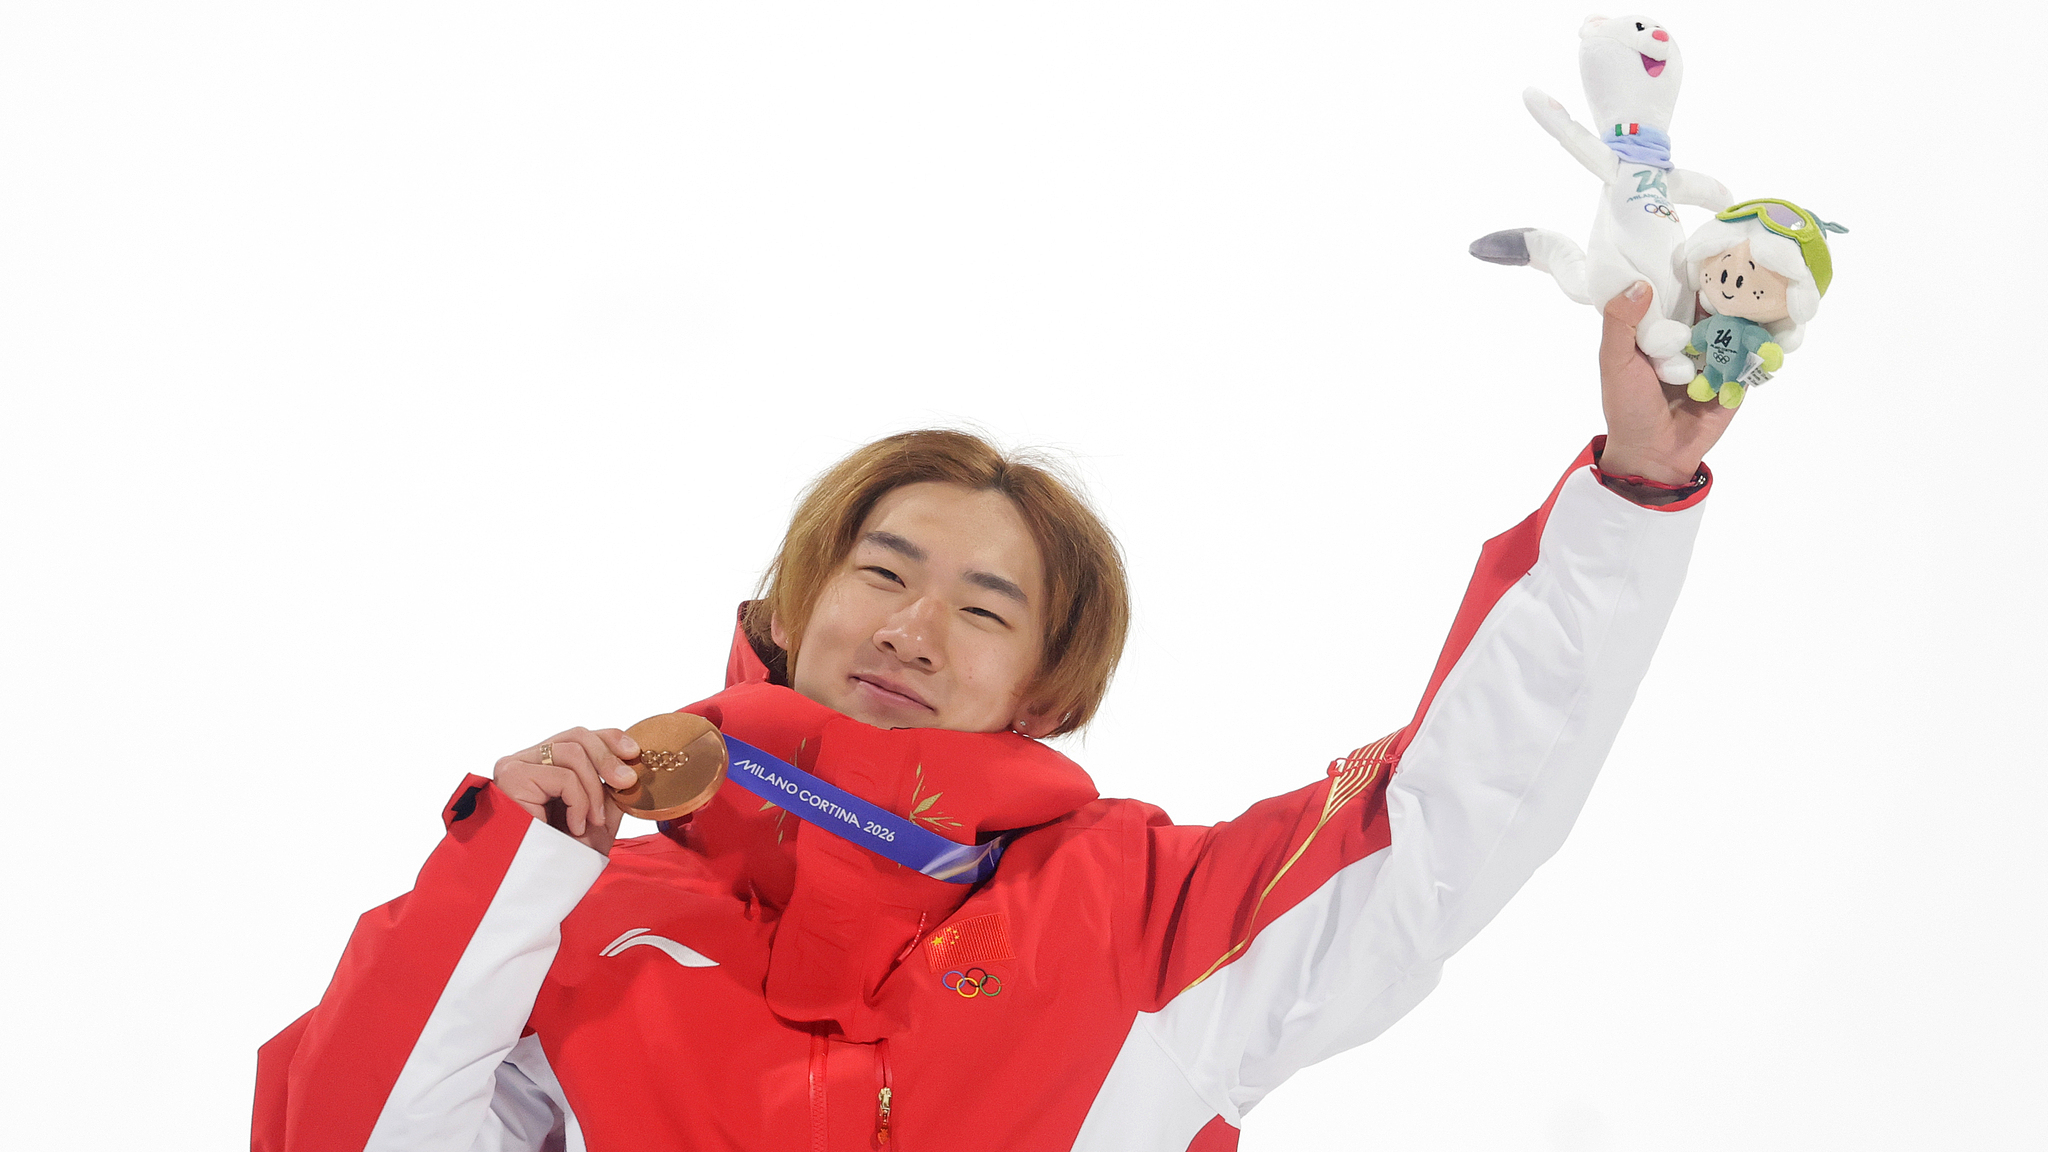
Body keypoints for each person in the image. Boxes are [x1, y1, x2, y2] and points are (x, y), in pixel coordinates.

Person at [252, 284, 1732, 1152]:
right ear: (795, 603)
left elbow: (1443, 827)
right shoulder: (577, 915)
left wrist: (1632, 497)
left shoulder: (1140, 921)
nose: (910, 626)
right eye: (880, 571)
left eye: (980, 607)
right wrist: (505, 867)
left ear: (1046, 689)